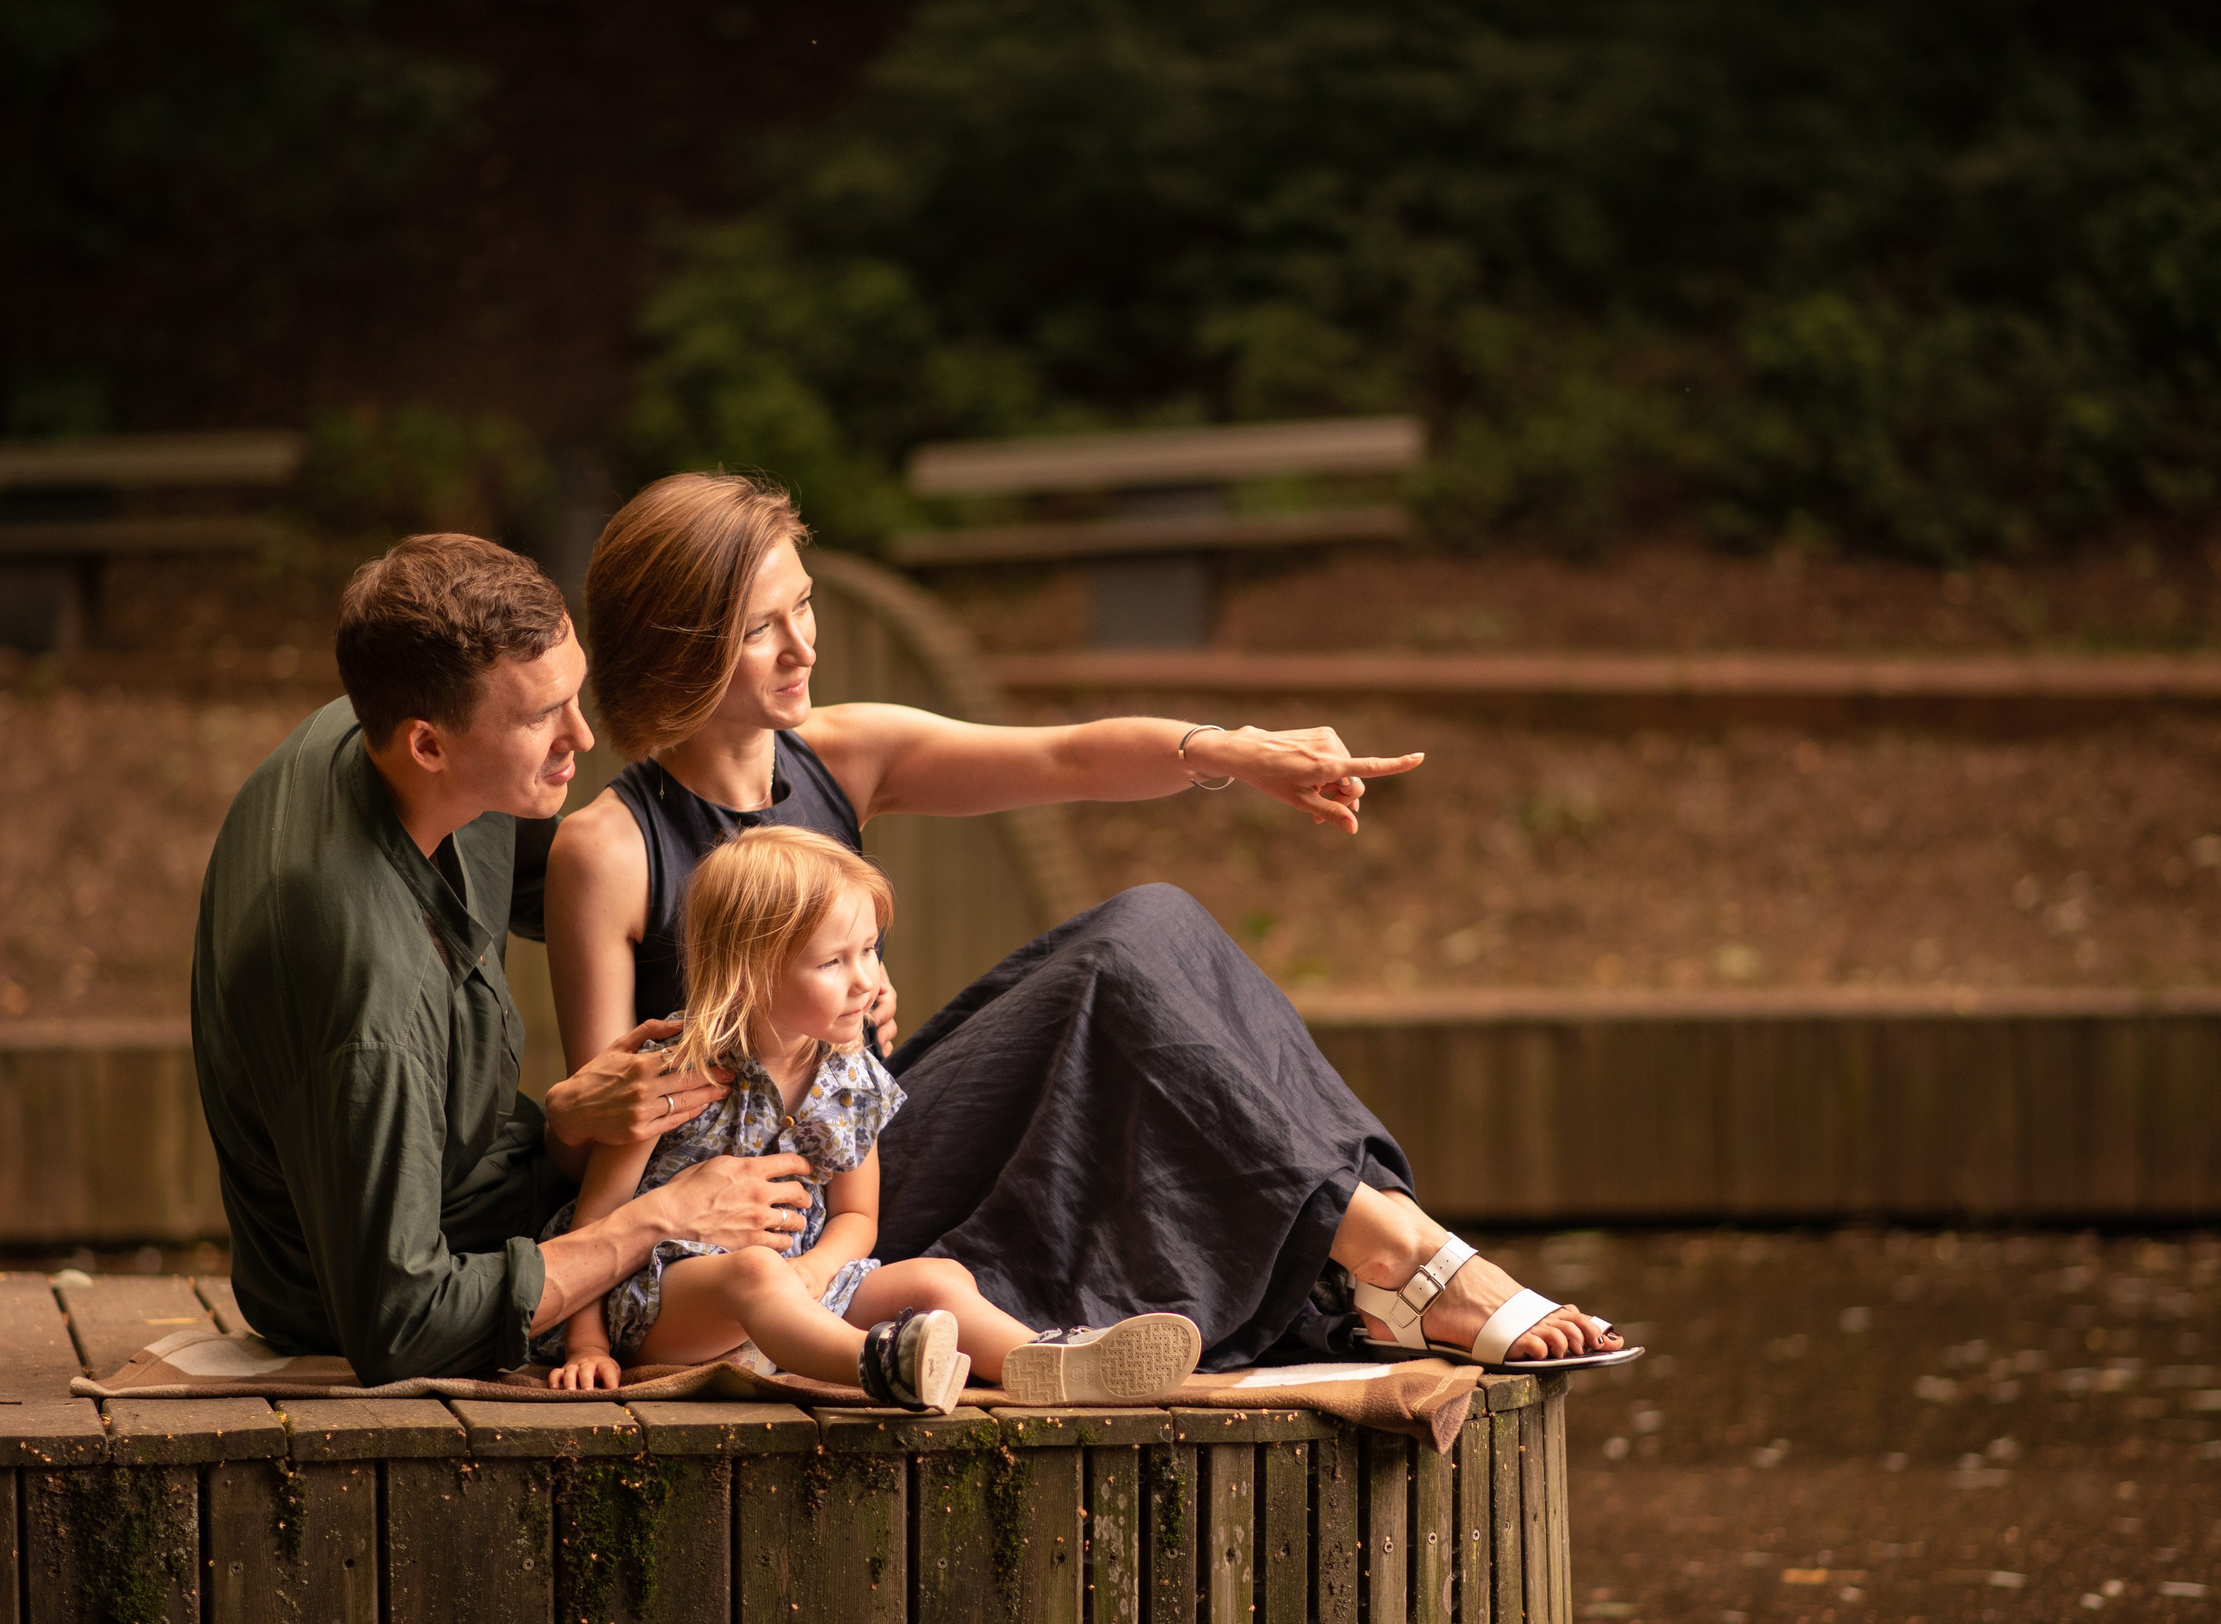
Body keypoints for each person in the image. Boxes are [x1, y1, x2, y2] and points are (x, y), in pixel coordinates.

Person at [545, 472, 1626, 1371]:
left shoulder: (841, 752)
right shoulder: (611, 846)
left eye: (805, 604)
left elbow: (1065, 755)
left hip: (863, 1162)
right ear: (681, 647)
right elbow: (607, 1114)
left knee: (1149, 924)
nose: (803, 645)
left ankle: (1389, 1242)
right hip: (735, 1225)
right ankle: (1404, 1265)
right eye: (760, 628)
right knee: (1126, 972)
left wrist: (1228, 750)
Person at [192, 534, 825, 1384]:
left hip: (498, 1175)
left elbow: (600, 903)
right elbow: (399, 1320)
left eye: (574, 694)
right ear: (428, 744)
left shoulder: (409, 737)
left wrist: (821, 972)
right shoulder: (370, 991)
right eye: (540, 718)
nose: (584, 736)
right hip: (375, 1289)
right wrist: (654, 1219)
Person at [537, 824, 1203, 1410]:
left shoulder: (848, 1075)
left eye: (869, 949)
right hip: (667, 1304)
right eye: (833, 961)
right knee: (755, 1274)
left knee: (936, 1277)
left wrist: (816, 1270)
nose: (865, 979)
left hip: (802, 1284)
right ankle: (879, 1365)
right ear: (749, 972)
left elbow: (857, 1217)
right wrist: (587, 1341)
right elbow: (599, 1222)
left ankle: (1050, 1362)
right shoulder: (669, 1070)